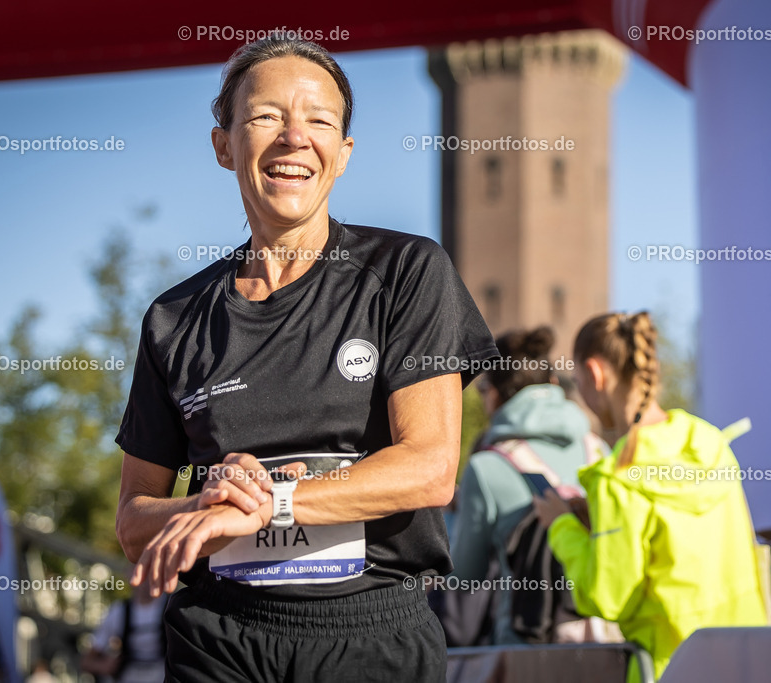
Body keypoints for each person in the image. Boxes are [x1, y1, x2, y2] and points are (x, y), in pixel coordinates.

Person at [113, 37, 497, 683]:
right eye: (266, 116)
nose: (295, 137)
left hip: (371, 636)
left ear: (343, 155)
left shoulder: (405, 271)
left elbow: (430, 468)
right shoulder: (173, 319)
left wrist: (278, 502)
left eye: (319, 121)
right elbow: (133, 521)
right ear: (223, 145)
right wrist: (210, 505)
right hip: (217, 637)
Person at [533, 311, 769, 681]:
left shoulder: (621, 477)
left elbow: (608, 596)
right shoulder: (710, 442)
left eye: (578, 381)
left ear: (595, 374)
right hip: (748, 661)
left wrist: (561, 526)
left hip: (670, 668)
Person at [449, 326, 606, 645]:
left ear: (493, 394)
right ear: (552, 383)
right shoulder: (602, 452)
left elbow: (465, 576)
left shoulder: (487, 467)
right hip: (607, 647)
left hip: (525, 652)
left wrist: (452, 514)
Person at [81, 582, 167, 683]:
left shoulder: (173, 607)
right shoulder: (118, 611)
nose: (145, 579)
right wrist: (105, 666)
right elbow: (86, 662)